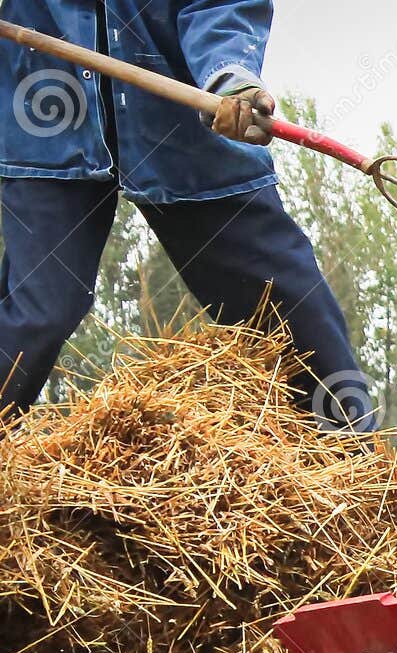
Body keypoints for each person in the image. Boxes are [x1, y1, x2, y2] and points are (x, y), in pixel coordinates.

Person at [0, 0, 373, 429]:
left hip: (182, 123)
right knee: (37, 311)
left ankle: (357, 465)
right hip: (46, 119)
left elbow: (221, 6)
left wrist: (229, 75)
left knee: (285, 307)